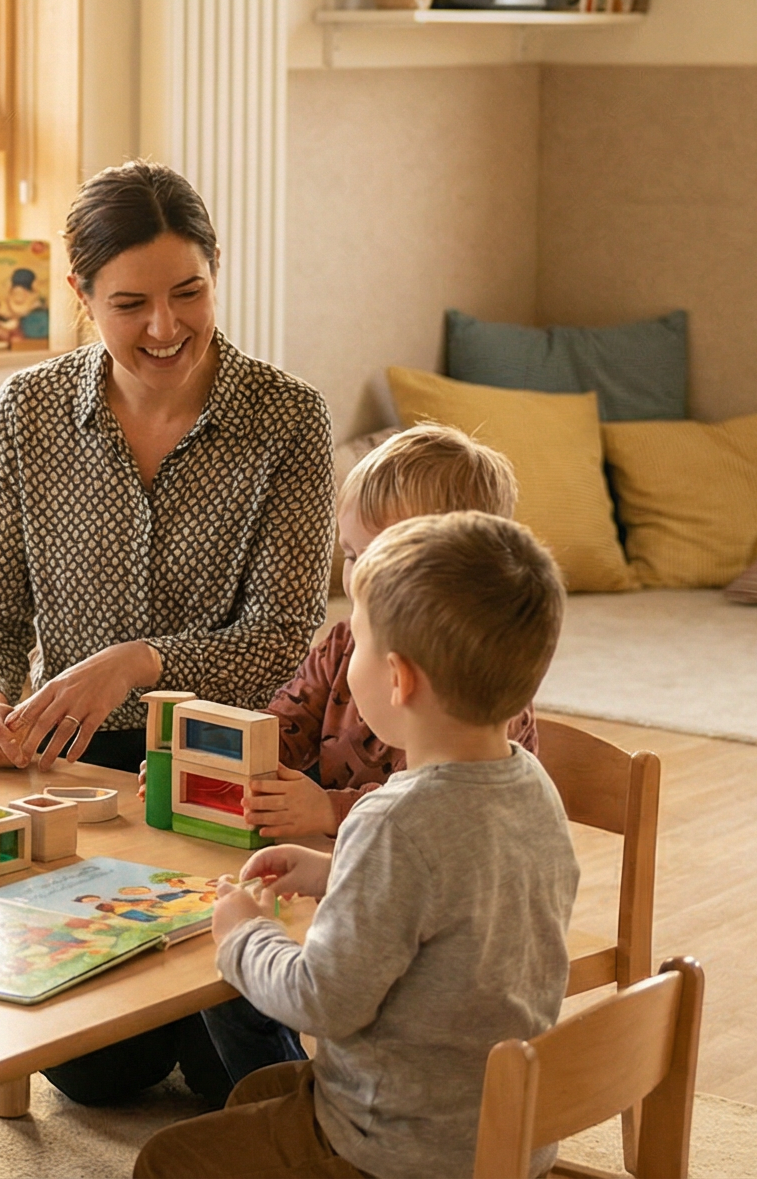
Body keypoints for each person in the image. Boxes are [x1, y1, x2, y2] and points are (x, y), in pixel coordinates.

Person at [0, 160, 334, 1106]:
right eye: (131, 303)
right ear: (79, 295)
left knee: (231, 1086)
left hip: (226, 775)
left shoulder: (290, 419)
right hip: (80, 778)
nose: (165, 328)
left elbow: (283, 635)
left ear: (214, 272)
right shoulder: (27, 414)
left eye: (188, 292)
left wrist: (137, 663)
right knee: (93, 1077)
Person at [134, 512, 581, 1179]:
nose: (347, 657)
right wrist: (332, 869)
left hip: (397, 1147)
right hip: (502, 1127)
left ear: (398, 679)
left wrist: (243, 937)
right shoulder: (531, 785)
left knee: (169, 1159)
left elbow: (323, 1001)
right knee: (257, 1094)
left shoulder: (392, 821)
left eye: (358, 643)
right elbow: (453, 888)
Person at [199, 421, 546, 1083]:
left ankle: (285, 1104)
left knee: (242, 975)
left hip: (409, 965)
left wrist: (326, 813)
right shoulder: (344, 645)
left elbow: (416, 824)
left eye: (383, 557)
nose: (358, 579)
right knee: (216, 970)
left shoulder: (477, 710)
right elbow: (283, 723)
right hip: (368, 890)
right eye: (353, 556)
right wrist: (214, 759)